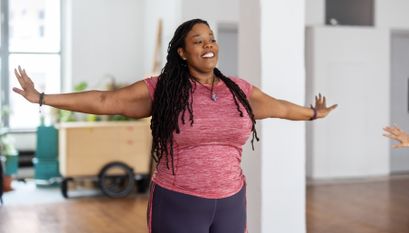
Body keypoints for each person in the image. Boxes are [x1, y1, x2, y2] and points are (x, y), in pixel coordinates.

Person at [13, 18, 337, 233]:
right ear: (182, 52)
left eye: (211, 39)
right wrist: (41, 97)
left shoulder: (239, 90)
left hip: (231, 200)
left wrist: (312, 113)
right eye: (198, 41)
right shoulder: (163, 90)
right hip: (179, 201)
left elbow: (279, 107)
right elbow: (104, 101)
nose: (208, 45)